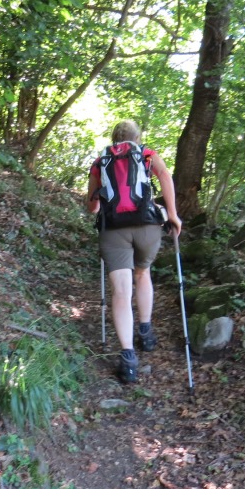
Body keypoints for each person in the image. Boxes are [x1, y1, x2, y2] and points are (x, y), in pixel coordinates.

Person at [86, 120, 182, 383]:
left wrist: (101, 199)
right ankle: (146, 331)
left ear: (114, 138)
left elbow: (92, 208)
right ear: (137, 138)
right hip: (147, 227)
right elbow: (165, 177)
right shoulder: (147, 154)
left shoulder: (100, 161)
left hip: (113, 230)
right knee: (143, 274)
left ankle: (128, 358)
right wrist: (172, 216)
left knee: (120, 290)